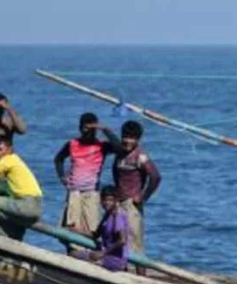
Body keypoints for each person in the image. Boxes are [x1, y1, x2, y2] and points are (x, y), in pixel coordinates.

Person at [54, 113, 117, 247]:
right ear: (80, 128)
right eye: (85, 128)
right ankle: (71, 254)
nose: (87, 131)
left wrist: (104, 129)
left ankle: (90, 256)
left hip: (91, 194)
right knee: (70, 227)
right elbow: (58, 159)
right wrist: (62, 177)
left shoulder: (102, 146)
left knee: (91, 228)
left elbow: (118, 148)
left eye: (91, 128)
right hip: (74, 193)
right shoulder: (72, 144)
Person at [110, 120, 161, 259]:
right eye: (125, 137)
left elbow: (155, 176)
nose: (127, 141)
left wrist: (143, 197)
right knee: (118, 241)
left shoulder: (140, 157)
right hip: (119, 203)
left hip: (132, 205)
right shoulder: (120, 155)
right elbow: (116, 174)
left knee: (136, 245)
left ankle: (141, 277)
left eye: (132, 138)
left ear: (137, 140)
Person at [84, 186, 131, 272]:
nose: (107, 203)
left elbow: (122, 240)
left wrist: (103, 253)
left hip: (115, 259)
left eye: (110, 200)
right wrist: (75, 231)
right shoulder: (107, 215)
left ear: (116, 201)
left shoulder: (117, 215)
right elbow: (95, 235)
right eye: (104, 200)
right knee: (75, 254)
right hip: (107, 255)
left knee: (78, 256)